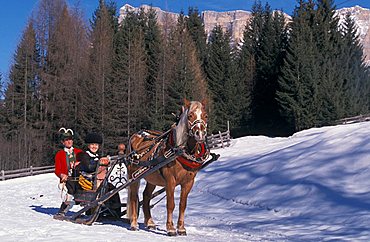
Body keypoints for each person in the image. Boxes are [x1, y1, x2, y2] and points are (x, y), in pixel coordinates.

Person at [54, 128, 83, 217]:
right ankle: (62, 211)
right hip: (68, 179)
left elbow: (86, 162)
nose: (69, 142)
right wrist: (61, 174)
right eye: (66, 140)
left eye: (70, 139)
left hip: (80, 178)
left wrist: (80, 162)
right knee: (70, 193)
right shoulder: (60, 154)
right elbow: (57, 169)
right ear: (63, 142)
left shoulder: (79, 152)